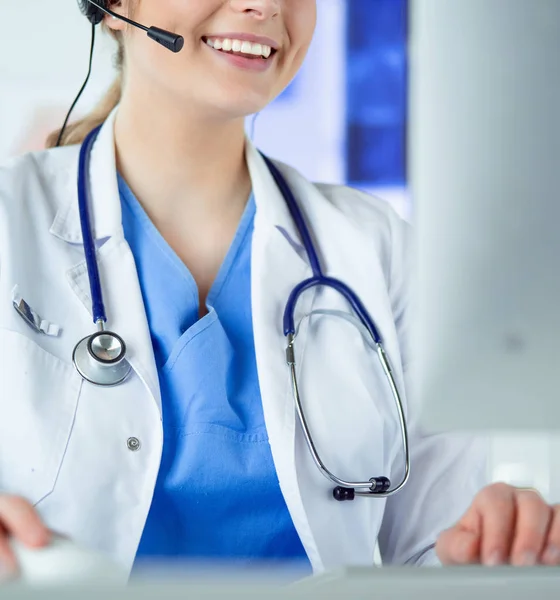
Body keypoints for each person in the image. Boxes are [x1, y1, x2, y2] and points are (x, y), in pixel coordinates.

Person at [0, 0, 559, 581]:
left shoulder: (381, 251)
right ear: (115, 7)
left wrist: (493, 548)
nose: (265, 5)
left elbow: (434, 561)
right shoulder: (10, 222)